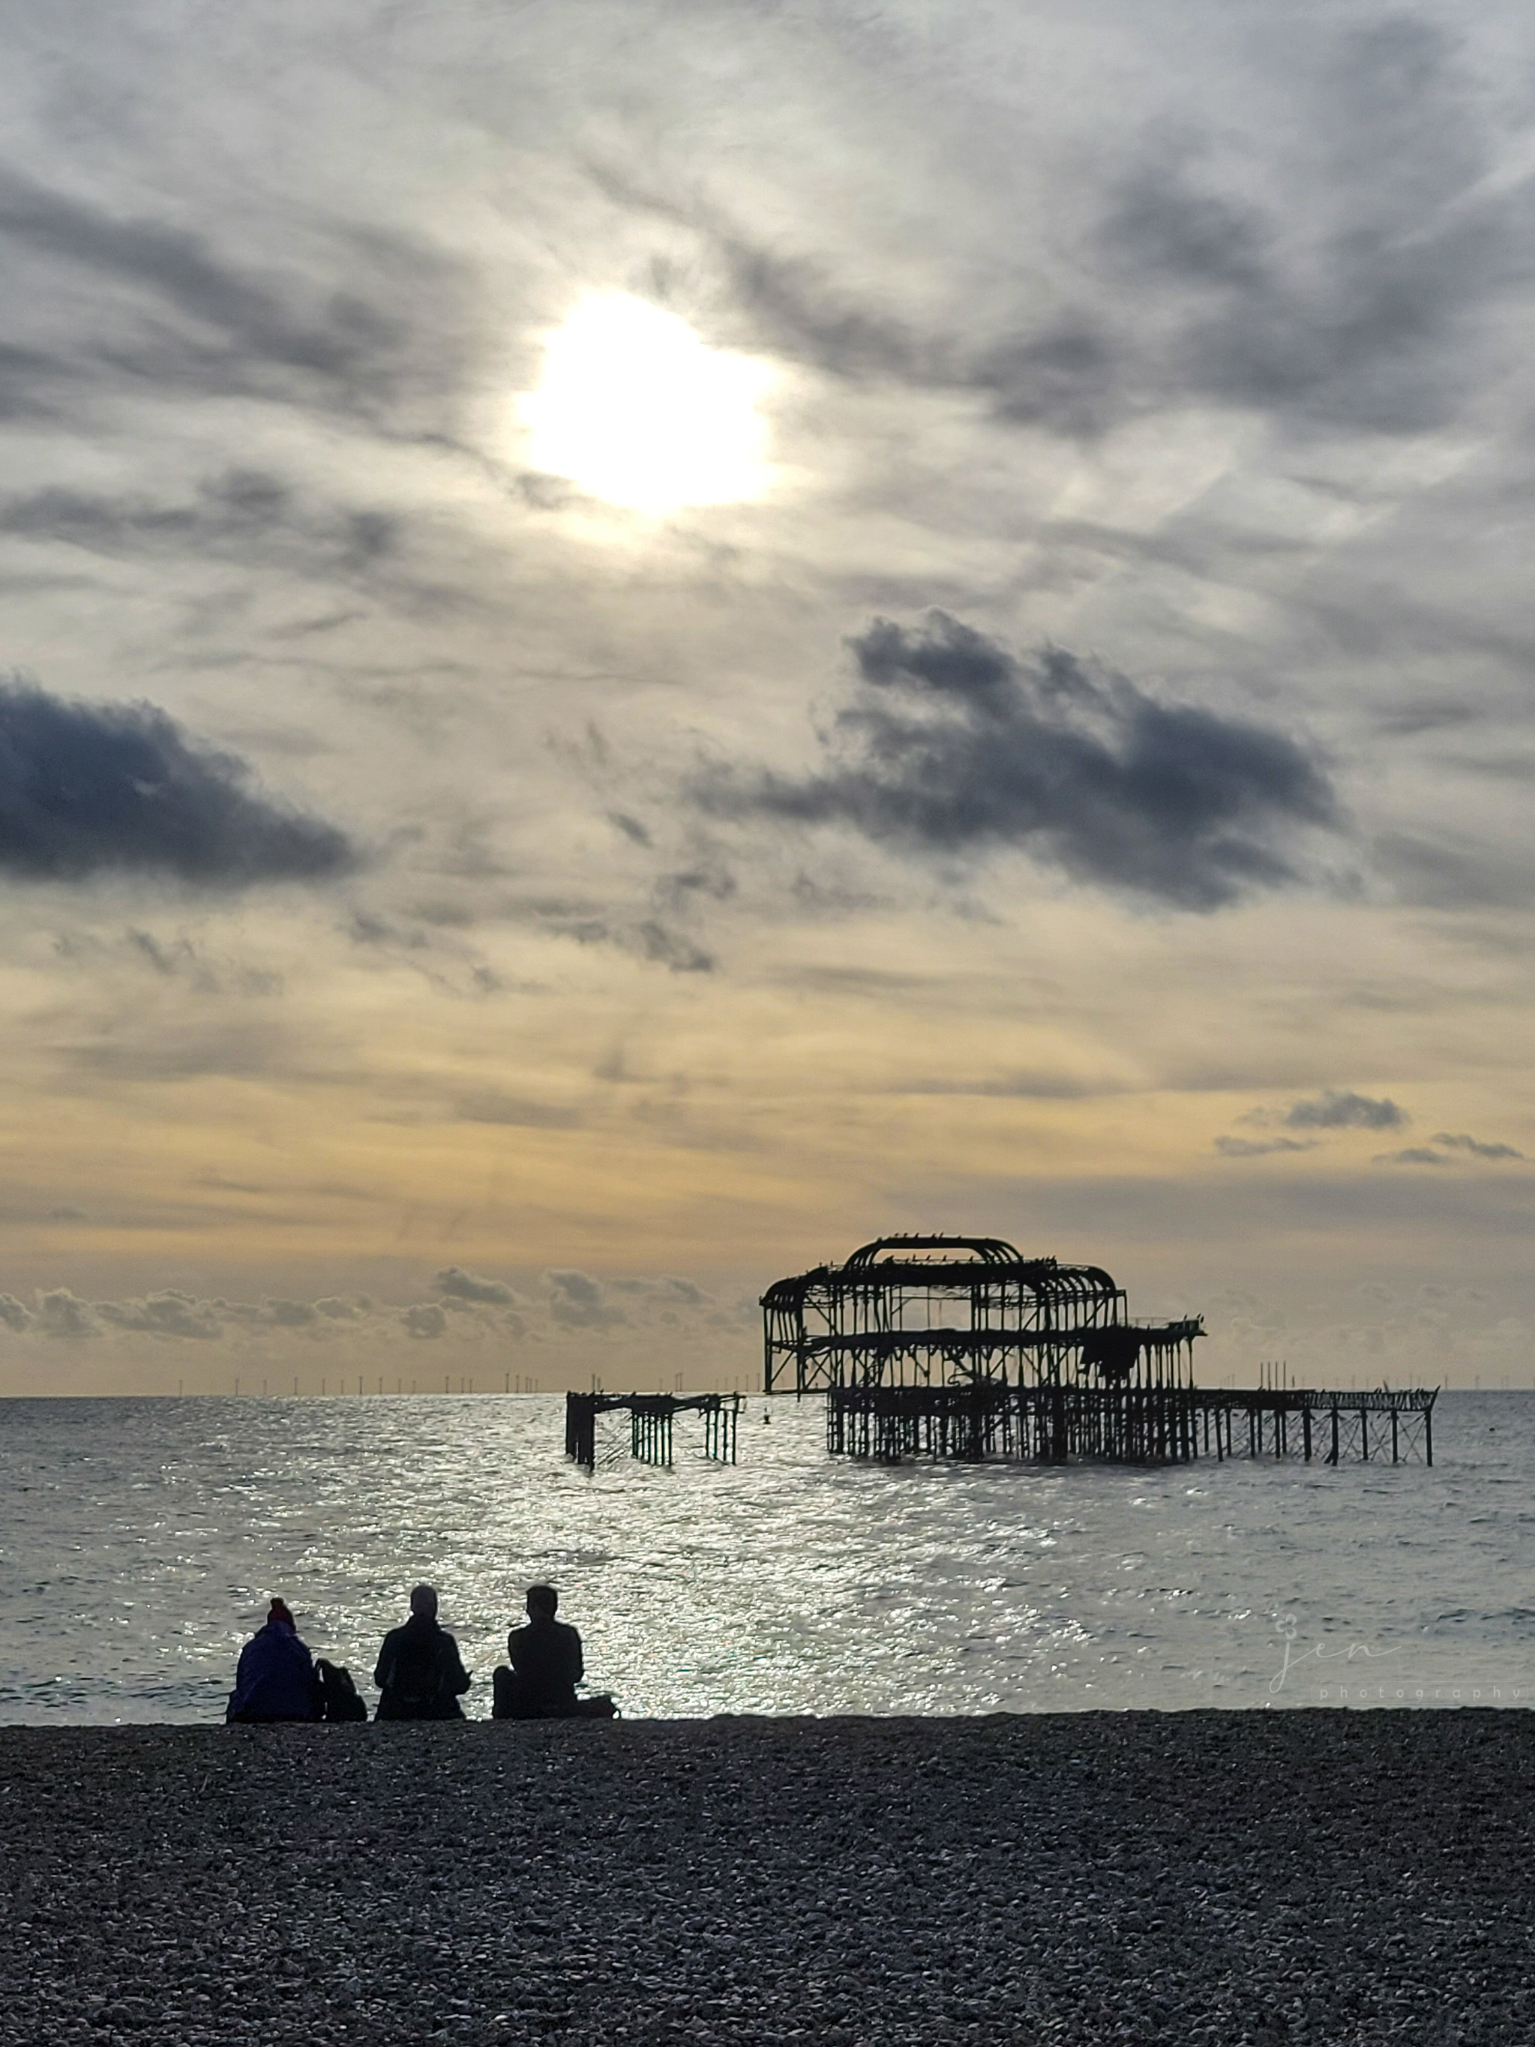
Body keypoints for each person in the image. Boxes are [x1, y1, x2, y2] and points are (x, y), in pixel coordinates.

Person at [492, 1584, 615, 1719]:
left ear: (532, 1609)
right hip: (562, 1701)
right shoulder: (569, 1634)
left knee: (501, 1673)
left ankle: (501, 1716)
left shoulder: (518, 1637)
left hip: (528, 1703)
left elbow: (520, 1670)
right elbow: (577, 1675)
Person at [373, 1584, 472, 1720]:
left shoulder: (394, 1638)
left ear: (412, 1607)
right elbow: (459, 1685)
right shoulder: (444, 1641)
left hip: (396, 1712)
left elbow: (380, 1679)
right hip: (436, 1711)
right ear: (435, 1608)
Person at [226, 1598, 321, 1724]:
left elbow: (241, 1684)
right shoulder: (298, 1647)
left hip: (254, 1712)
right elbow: (309, 1683)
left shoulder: (251, 1647)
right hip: (297, 1712)